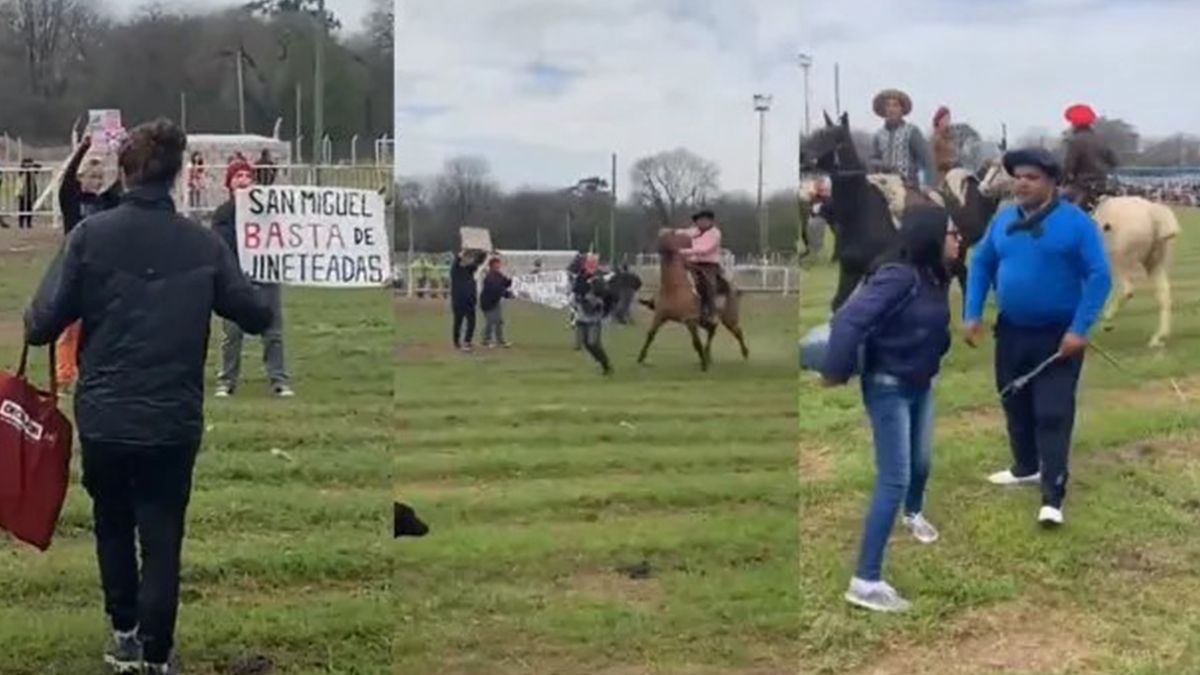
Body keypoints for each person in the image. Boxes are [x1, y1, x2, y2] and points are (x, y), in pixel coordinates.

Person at [23, 118, 273, 675]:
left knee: (112, 522)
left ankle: (125, 634)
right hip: (172, 418)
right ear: (178, 175)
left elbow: (41, 324)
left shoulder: (91, 237)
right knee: (163, 535)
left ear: (126, 174)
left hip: (106, 414)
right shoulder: (204, 244)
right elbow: (256, 315)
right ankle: (158, 655)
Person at [821, 205, 959, 613]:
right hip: (889, 387)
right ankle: (865, 582)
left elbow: (933, 328)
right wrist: (835, 371)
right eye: (952, 232)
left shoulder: (935, 276)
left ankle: (913, 515)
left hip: (920, 383)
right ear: (932, 236)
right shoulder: (898, 276)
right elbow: (848, 321)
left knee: (922, 461)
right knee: (893, 479)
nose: (959, 238)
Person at [963, 147, 1112, 527]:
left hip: (1059, 337)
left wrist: (1079, 329)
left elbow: (1099, 276)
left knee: (1052, 412)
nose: (1022, 183)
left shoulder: (1076, 223)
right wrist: (972, 313)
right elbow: (981, 263)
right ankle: (1025, 466)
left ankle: (1052, 495)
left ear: (1051, 183)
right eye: (1018, 176)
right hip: (1012, 332)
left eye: (1032, 177)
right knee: (1013, 400)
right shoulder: (1002, 220)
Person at [211, 157, 295, 398]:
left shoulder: (268, 211)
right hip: (236, 280)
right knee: (232, 334)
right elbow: (222, 245)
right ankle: (226, 381)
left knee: (273, 332)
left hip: (266, 275)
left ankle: (278, 380)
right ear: (229, 183)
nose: (244, 181)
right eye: (238, 176)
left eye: (247, 176)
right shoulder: (223, 214)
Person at [55, 134, 125, 391]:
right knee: (69, 328)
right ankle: (64, 376)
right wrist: (83, 148)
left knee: (97, 326)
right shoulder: (72, 202)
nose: (94, 182)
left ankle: (91, 372)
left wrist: (118, 152)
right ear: (82, 178)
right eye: (90, 177)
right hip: (74, 267)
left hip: (100, 269)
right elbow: (66, 180)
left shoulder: (107, 203)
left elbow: (120, 184)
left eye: (98, 178)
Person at [869, 88, 935, 189]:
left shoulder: (911, 131)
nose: (891, 109)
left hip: (908, 187)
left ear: (901, 109)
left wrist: (928, 185)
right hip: (884, 186)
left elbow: (927, 160)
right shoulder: (878, 135)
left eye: (895, 105)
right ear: (884, 110)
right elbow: (872, 159)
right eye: (888, 105)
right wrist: (882, 165)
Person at [1061, 103, 1118, 212]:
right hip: (1103, 184)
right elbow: (1114, 162)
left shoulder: (1075, 141)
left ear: (1074, 124)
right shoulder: (1102, 139)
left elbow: (1069, 166)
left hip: (1082, 186)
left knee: (1054, 205)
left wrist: (1061, 182)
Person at [675, 210, 726, 321]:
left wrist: (683, 251)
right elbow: (683, 232)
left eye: (703, 220)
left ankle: (712, 312)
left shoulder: (715, 233)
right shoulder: (695, 231)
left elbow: (705, 249)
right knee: (674, 273)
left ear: (710, 221)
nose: (700, 222)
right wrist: (670, 232)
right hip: (692, 263)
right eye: (698, 220)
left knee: (708, 284)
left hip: (708, 265)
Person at [572, 253, 614, 375]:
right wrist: (579, 299)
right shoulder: (580, 278)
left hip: (595, 316)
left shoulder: (599, 278)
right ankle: (602, 362)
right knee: (587, 344)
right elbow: (576, 292)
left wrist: (602, 307)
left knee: (593, 342)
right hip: (582, 314)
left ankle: (606, 364)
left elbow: (607, 296)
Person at [450, 248, 487, 351]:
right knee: (458, 321)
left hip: (470, 299)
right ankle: (456, 342)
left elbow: (478, 262)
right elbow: (456, 261)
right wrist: (462, 253)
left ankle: (467, 341)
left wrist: (484, 252)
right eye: (465, 260)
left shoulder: (469, 270)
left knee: (471, 321)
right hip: (458, 300)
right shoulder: (455, 271)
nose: (467, 261)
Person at [479, 255, 513, 348]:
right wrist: (507, 294)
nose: (498, 266)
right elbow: (496, 289)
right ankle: (486, 340)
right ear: (492, 265)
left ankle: (500, 340)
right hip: (487, 303)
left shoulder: (499, 275)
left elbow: (506, 283)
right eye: (496, 264)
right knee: (491, 321)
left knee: (499, 321)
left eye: (499, 264)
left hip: (495, 302)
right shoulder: (489, 277)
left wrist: (512, 280)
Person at [930, 105, 957, 187]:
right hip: (939, 177)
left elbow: (953, 154)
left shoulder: (951, 137)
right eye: (945, 118)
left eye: (948, 119)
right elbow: (931, 159)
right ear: (939, 120)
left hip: (951, 175)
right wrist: (948, 163)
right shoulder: (935, 138)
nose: (947, 121)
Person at [18, 158, 39, 229]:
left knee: (29, 208)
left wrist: (32, 165)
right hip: (23, 192)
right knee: (22, 207)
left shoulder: (32, 170)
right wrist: (25, 167)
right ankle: (21, 223)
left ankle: (28, 223)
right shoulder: (22, 170)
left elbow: (39, 167)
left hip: (31, 191)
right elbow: (20, 173)